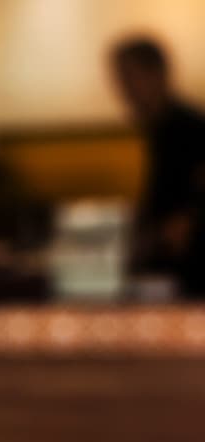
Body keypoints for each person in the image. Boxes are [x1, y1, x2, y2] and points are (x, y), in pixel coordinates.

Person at [111, 37, 205, 293]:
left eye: (129, 78)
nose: (123, 90)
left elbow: (183, 221)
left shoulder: (188, 129)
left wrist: (147, 244)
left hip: (188, 281)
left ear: (158, 74)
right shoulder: (162, 130)